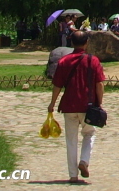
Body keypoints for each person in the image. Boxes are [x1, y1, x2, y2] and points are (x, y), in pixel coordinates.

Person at [48, 30, 105, 185]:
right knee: (89, 134)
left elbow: (57, 85)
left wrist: (52, 104)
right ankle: (84, 161)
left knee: (71, 140)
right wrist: (99, 103)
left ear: (71, 43)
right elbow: (99, 84)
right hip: (88, 105)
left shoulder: (64, 61)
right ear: (86, 43)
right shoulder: (93, 61)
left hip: (69, 105)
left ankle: (73, 175)